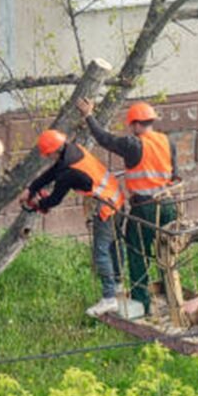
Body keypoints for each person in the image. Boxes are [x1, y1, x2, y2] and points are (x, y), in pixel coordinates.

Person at [76, 97, 177, 317]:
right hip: (169, 204)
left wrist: (88, 115)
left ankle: (142, 302)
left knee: (136, 251)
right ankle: (172, 297)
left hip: (146, 207)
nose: (130, 129)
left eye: (131, 125)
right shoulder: (167, 141)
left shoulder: (134, 144)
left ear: (136, 124)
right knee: (166, 252)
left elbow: (105, 139)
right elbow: (174, 174)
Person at [20, 129, 125, 317]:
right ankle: (117, 285)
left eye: (48, 154)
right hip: (116, 197)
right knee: (113, 245)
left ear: (53, 151)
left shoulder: (69, 172)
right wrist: (31, 188)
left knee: (101, 251)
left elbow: (55, 199)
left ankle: (109, 299)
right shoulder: (74, 150)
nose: (48, 158)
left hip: (105, 206)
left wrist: (38, 203)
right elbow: (51, 173)